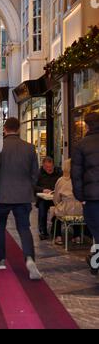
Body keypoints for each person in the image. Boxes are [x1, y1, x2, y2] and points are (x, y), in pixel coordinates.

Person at [0, 117, 42, 280]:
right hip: (23, 196)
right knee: (24, 228)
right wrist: (28, 187)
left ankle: (0, 259)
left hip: (2, 196)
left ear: (5, 129)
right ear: (19, 129)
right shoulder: (30, 148)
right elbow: (35, 173)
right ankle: (30, 258)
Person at [71, 112, 99, 275]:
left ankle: (96, 264)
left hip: (92, 198)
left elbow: (76, 174)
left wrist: (80, 197)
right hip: (92, 196)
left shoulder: (82, 145)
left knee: (96, 232)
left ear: (86, 125)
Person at [52, 159, 83, 245]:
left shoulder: (61, 180)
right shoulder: (81, 180)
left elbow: (56, 199)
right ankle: (77, 236)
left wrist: (57, 204)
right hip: (80, 210)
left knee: (56, 212)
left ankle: (58, 236)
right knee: (76, 211)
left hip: (66, 209)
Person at [35, 157, 62, 241]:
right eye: (47, 167)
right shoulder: (39, 173)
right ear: (43, 166)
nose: (49, 169)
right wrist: (43, 190)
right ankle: (43, 231)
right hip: (43, 198)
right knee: (42, 209)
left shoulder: (59, 172)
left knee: (59, 209)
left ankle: (56, 230)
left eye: (51, 167)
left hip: (55, 198)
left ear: (53, 165)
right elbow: (33, 186)